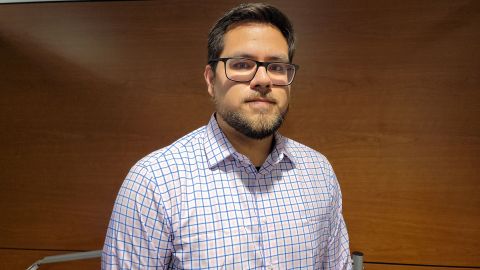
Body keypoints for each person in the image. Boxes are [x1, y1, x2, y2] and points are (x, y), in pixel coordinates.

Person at [102, 3, 352, 269]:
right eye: (243, 64)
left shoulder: (319, 173)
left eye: (277, 67)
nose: (264, 79)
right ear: (211, 80)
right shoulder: (155, 182)